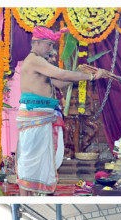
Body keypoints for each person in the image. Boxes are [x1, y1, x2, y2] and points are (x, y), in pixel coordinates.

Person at [17, 25, 108, 196]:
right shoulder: (34, 60)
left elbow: (58, 83)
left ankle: (34, 195)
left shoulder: (39, 62)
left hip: (44, 115)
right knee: (30, 160)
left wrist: (79, 75)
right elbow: (62, 74)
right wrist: (91, 76)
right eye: (49, 45)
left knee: (41, 159)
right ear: (37, 42)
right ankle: (25, 199)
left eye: (53, 45)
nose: (51, 49)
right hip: (35, 115)